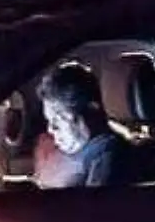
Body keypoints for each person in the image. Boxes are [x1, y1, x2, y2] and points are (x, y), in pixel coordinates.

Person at [34, 61, 119, 189]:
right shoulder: (82, 155)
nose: (50, 129)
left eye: (57, 120)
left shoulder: (105, 157)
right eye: (49, 121)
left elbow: (93, 208)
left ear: (89, 112)